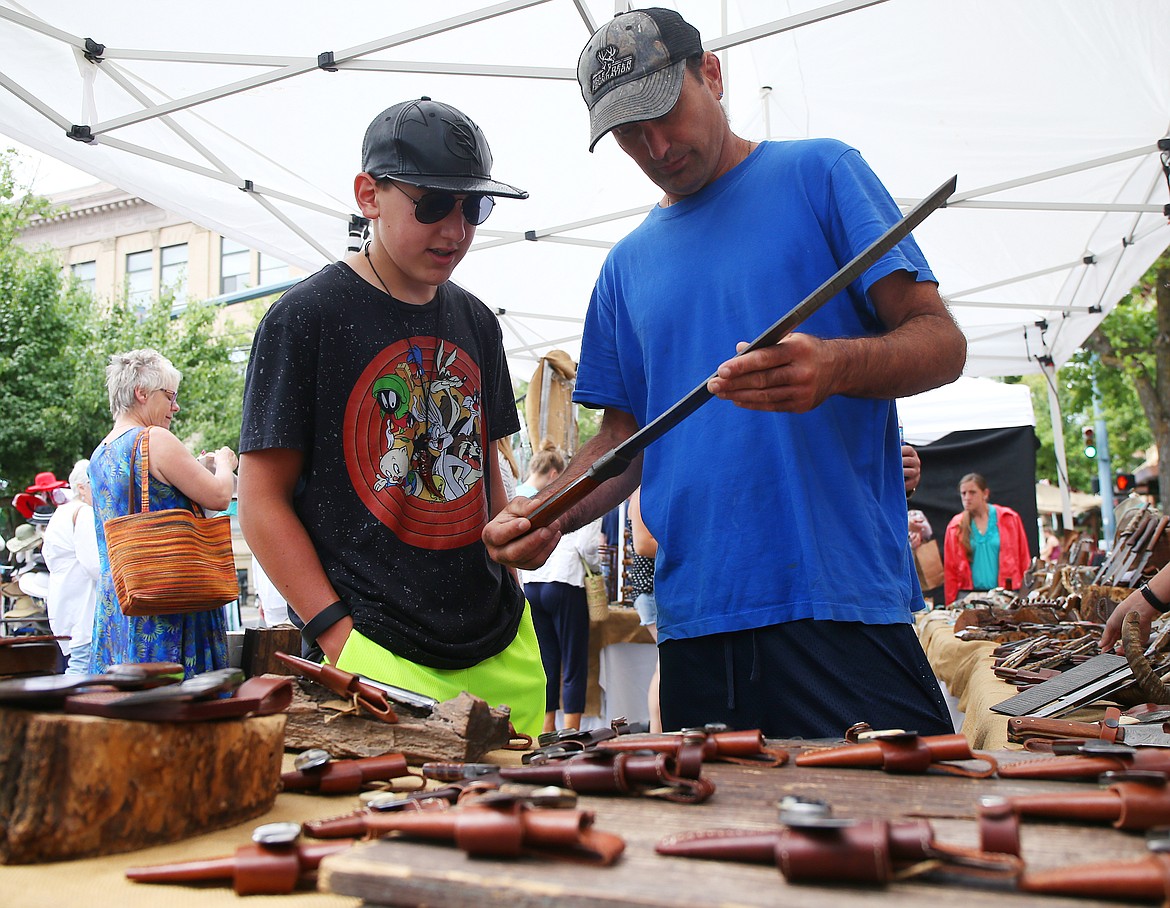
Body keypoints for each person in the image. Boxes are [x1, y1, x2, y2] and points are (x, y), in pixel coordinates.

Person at [484, 8, 967, 738]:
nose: (655, 146)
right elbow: (625, 443)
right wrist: (551, 513)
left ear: (710, 74)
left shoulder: (821, 174)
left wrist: (835, 366)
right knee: (717, 846)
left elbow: (941, 342)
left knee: (903, 838)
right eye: (627, 133)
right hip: (695, 625)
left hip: (837, 603)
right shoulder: (624, 269)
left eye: (664, 112)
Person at [238, 97, 545, 738]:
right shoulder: (305, 319)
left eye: (473, 208)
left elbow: (485, 468)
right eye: (433, 203)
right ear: (368, 195)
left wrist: (514, 563)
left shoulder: (478, 322)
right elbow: (259, 501)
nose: (456, 230)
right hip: (378, 654)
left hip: (502, 643)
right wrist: (337, 637)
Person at [88, 349, 237, 677]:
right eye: (169, 396)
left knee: (127, 708)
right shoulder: (155, 439)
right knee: (179, 709)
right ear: (142, 393)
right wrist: (225, 464)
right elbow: (219, 496)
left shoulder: (101, 453)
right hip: (169, 596)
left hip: (123, 599)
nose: (175, 406)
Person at [517, 441, 599, 732]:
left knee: (547, 659)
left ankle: (547, 728)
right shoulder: (583, 495)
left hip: (533, 582)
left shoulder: (523, 497)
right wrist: (597, 567)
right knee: (573, 663)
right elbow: (588, 547)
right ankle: (572, 732)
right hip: (565, 581)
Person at [41, 459, 100, 674]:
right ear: (82, 488)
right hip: (83, 607)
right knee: (82, 668)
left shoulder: (62, 513)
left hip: (65, 602)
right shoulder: (83, 513)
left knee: (78, 663)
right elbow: (95, 567)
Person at [942, 473, 1031, 604]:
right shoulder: (956, 526)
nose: (967, 498)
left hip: (1006, 594)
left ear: (985, 493)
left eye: (972, 492)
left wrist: (1026, 596)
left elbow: (1024, 558)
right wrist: (950, 603)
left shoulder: (1009, 518)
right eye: (963, 493)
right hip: (969, 597)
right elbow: (950, 570)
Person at [627, 486, 661, 733]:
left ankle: (658, 732)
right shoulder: (641, 492)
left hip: (650, 591)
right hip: (649, 591)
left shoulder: (644, 491)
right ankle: (658, 732)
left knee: (664, 664)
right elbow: (642, 545)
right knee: (665, 665)